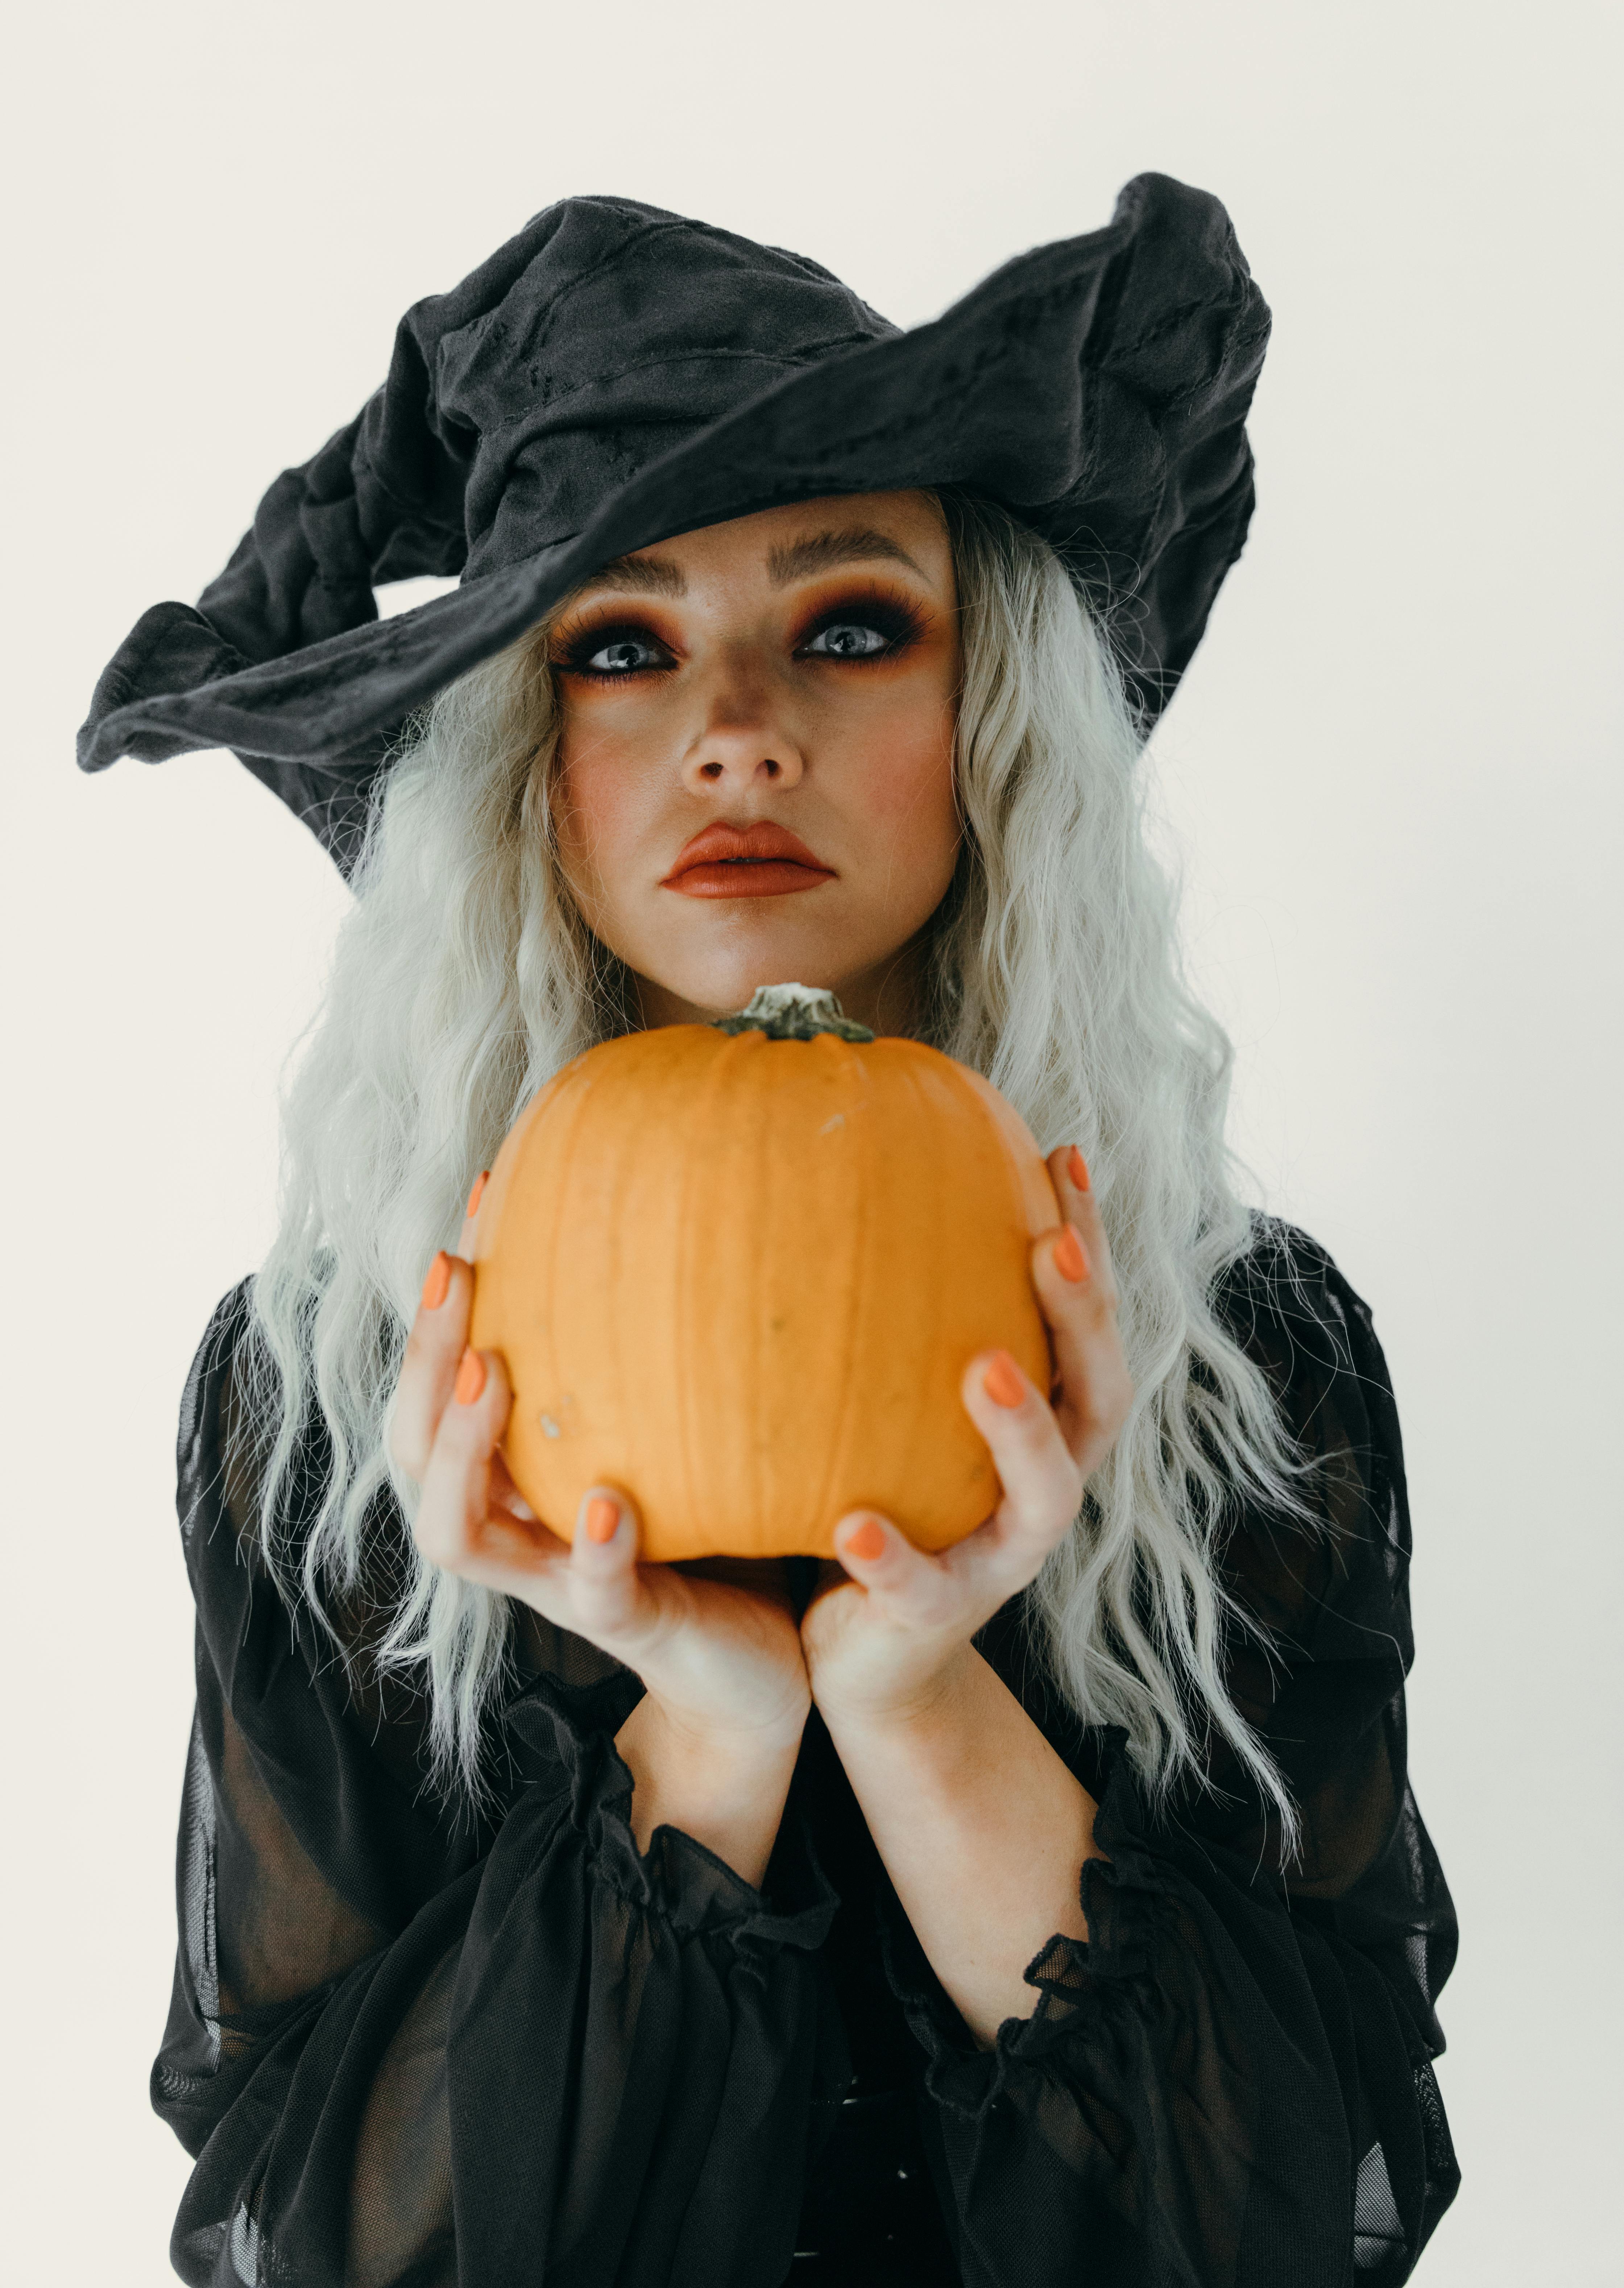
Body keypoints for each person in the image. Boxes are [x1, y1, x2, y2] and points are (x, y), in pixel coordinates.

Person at [79, 179, 1460, 2286]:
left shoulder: (1243, 1355)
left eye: (848, 626)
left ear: (987, 719)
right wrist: (710, 1724)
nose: (739, 724)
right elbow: (323, 2237)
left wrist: (914, 1701)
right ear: (517, 773)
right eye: (620, 646)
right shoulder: (333, 1392)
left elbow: (1295, 2213)